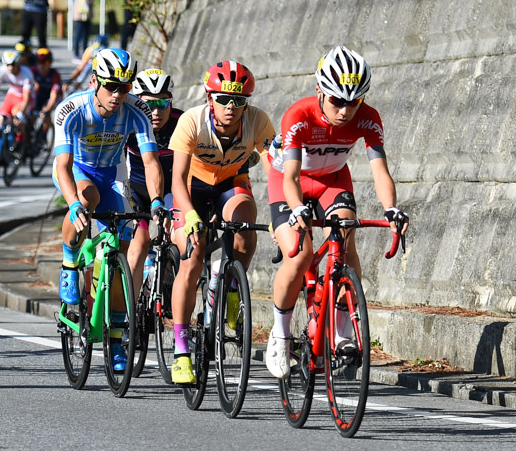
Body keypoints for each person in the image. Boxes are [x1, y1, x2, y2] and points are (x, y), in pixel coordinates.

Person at [264, 45, 410, 378]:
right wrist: (298, 207)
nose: (345, 111)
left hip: (332, 180)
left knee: (345, 235)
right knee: (298, 254)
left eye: (353, 102)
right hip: (292, 180)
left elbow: (379, 170)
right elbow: (288, 177)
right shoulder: (297, 116)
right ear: (320, 91)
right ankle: (280, 334)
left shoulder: (368, 118)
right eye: (336, 101)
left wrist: (391, 209)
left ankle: (343, 325)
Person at [52, 48, 165, 373]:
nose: (118, 95)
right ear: (94, 81)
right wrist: (73, 202)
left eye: (125, 87)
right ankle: (70, 264)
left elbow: (150, 161)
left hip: (114, 173)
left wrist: (157, 201)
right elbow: (62, 165)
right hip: (80, 171)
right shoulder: (72, 109)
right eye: (111, 86)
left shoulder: (137, 110)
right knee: (87, 201)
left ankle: (116, 335)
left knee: (125, 250)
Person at [168, 62, 275, 384]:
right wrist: (188, 216)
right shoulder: (191, 121)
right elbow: (175, 181)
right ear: (209, 97)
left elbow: (276, 171)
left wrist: (284, 210)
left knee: (245, 225)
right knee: (193, 256)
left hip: (231, 182)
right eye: (223, 100)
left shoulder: (258, 121)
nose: (231, 107)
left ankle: (230, 288)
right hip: (191, 188)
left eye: (239, 101)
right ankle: (181, 350)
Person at [122, 67, 181, 290]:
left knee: (177, 237)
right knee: (139, 245)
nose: (155, 112)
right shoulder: (127, 123)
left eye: (162, 104)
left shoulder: (182, 123)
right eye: (149, 105)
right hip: (136, 189)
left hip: (169, 191)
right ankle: (131, 313)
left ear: (171, 103)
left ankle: (166, 277)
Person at [0, 49, 34, 135]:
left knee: (16, 115)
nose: (10, 68)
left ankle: (23, 140)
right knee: (0, 120)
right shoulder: (1, 71)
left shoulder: (26, 73)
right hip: (12, 95)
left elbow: (26, 97)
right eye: (8, 65)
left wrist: (21, 113)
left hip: (25, 97)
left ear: (18, 63)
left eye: (13, 64)